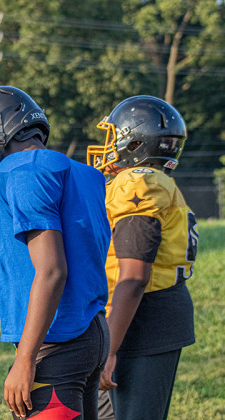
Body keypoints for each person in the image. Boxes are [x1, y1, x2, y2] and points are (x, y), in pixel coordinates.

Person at [0, 86, 110, 419]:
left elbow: (52, 270)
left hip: (58, 342)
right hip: (91, 333)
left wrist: (24, 360)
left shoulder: (23, 169)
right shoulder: (83, 173)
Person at [87, 96, 196, 420]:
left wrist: (109, 349)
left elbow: (134, 277)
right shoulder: (159, 183)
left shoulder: (139, 183)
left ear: (134, 141)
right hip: (137, 317)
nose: (107, 146)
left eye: (113, 136)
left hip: (141, 321)